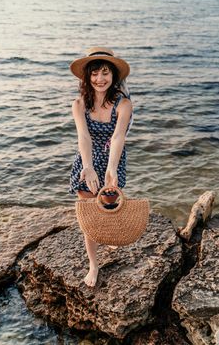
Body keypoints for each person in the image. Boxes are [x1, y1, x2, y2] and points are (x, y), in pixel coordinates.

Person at [69, 47, 133, 287]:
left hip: (112, 160)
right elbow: (83, 137)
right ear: (87, 76)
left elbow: (118, 138)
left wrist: (112, 168)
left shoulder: (123, 104)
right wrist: (88, 167)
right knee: (90, 219)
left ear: (114, 76)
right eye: (94, 73)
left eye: (105, 73)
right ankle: (93, 265)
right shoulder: (79, 104)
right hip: (86, 162)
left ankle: (107, 236)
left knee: (108, 207)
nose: (100, 79)